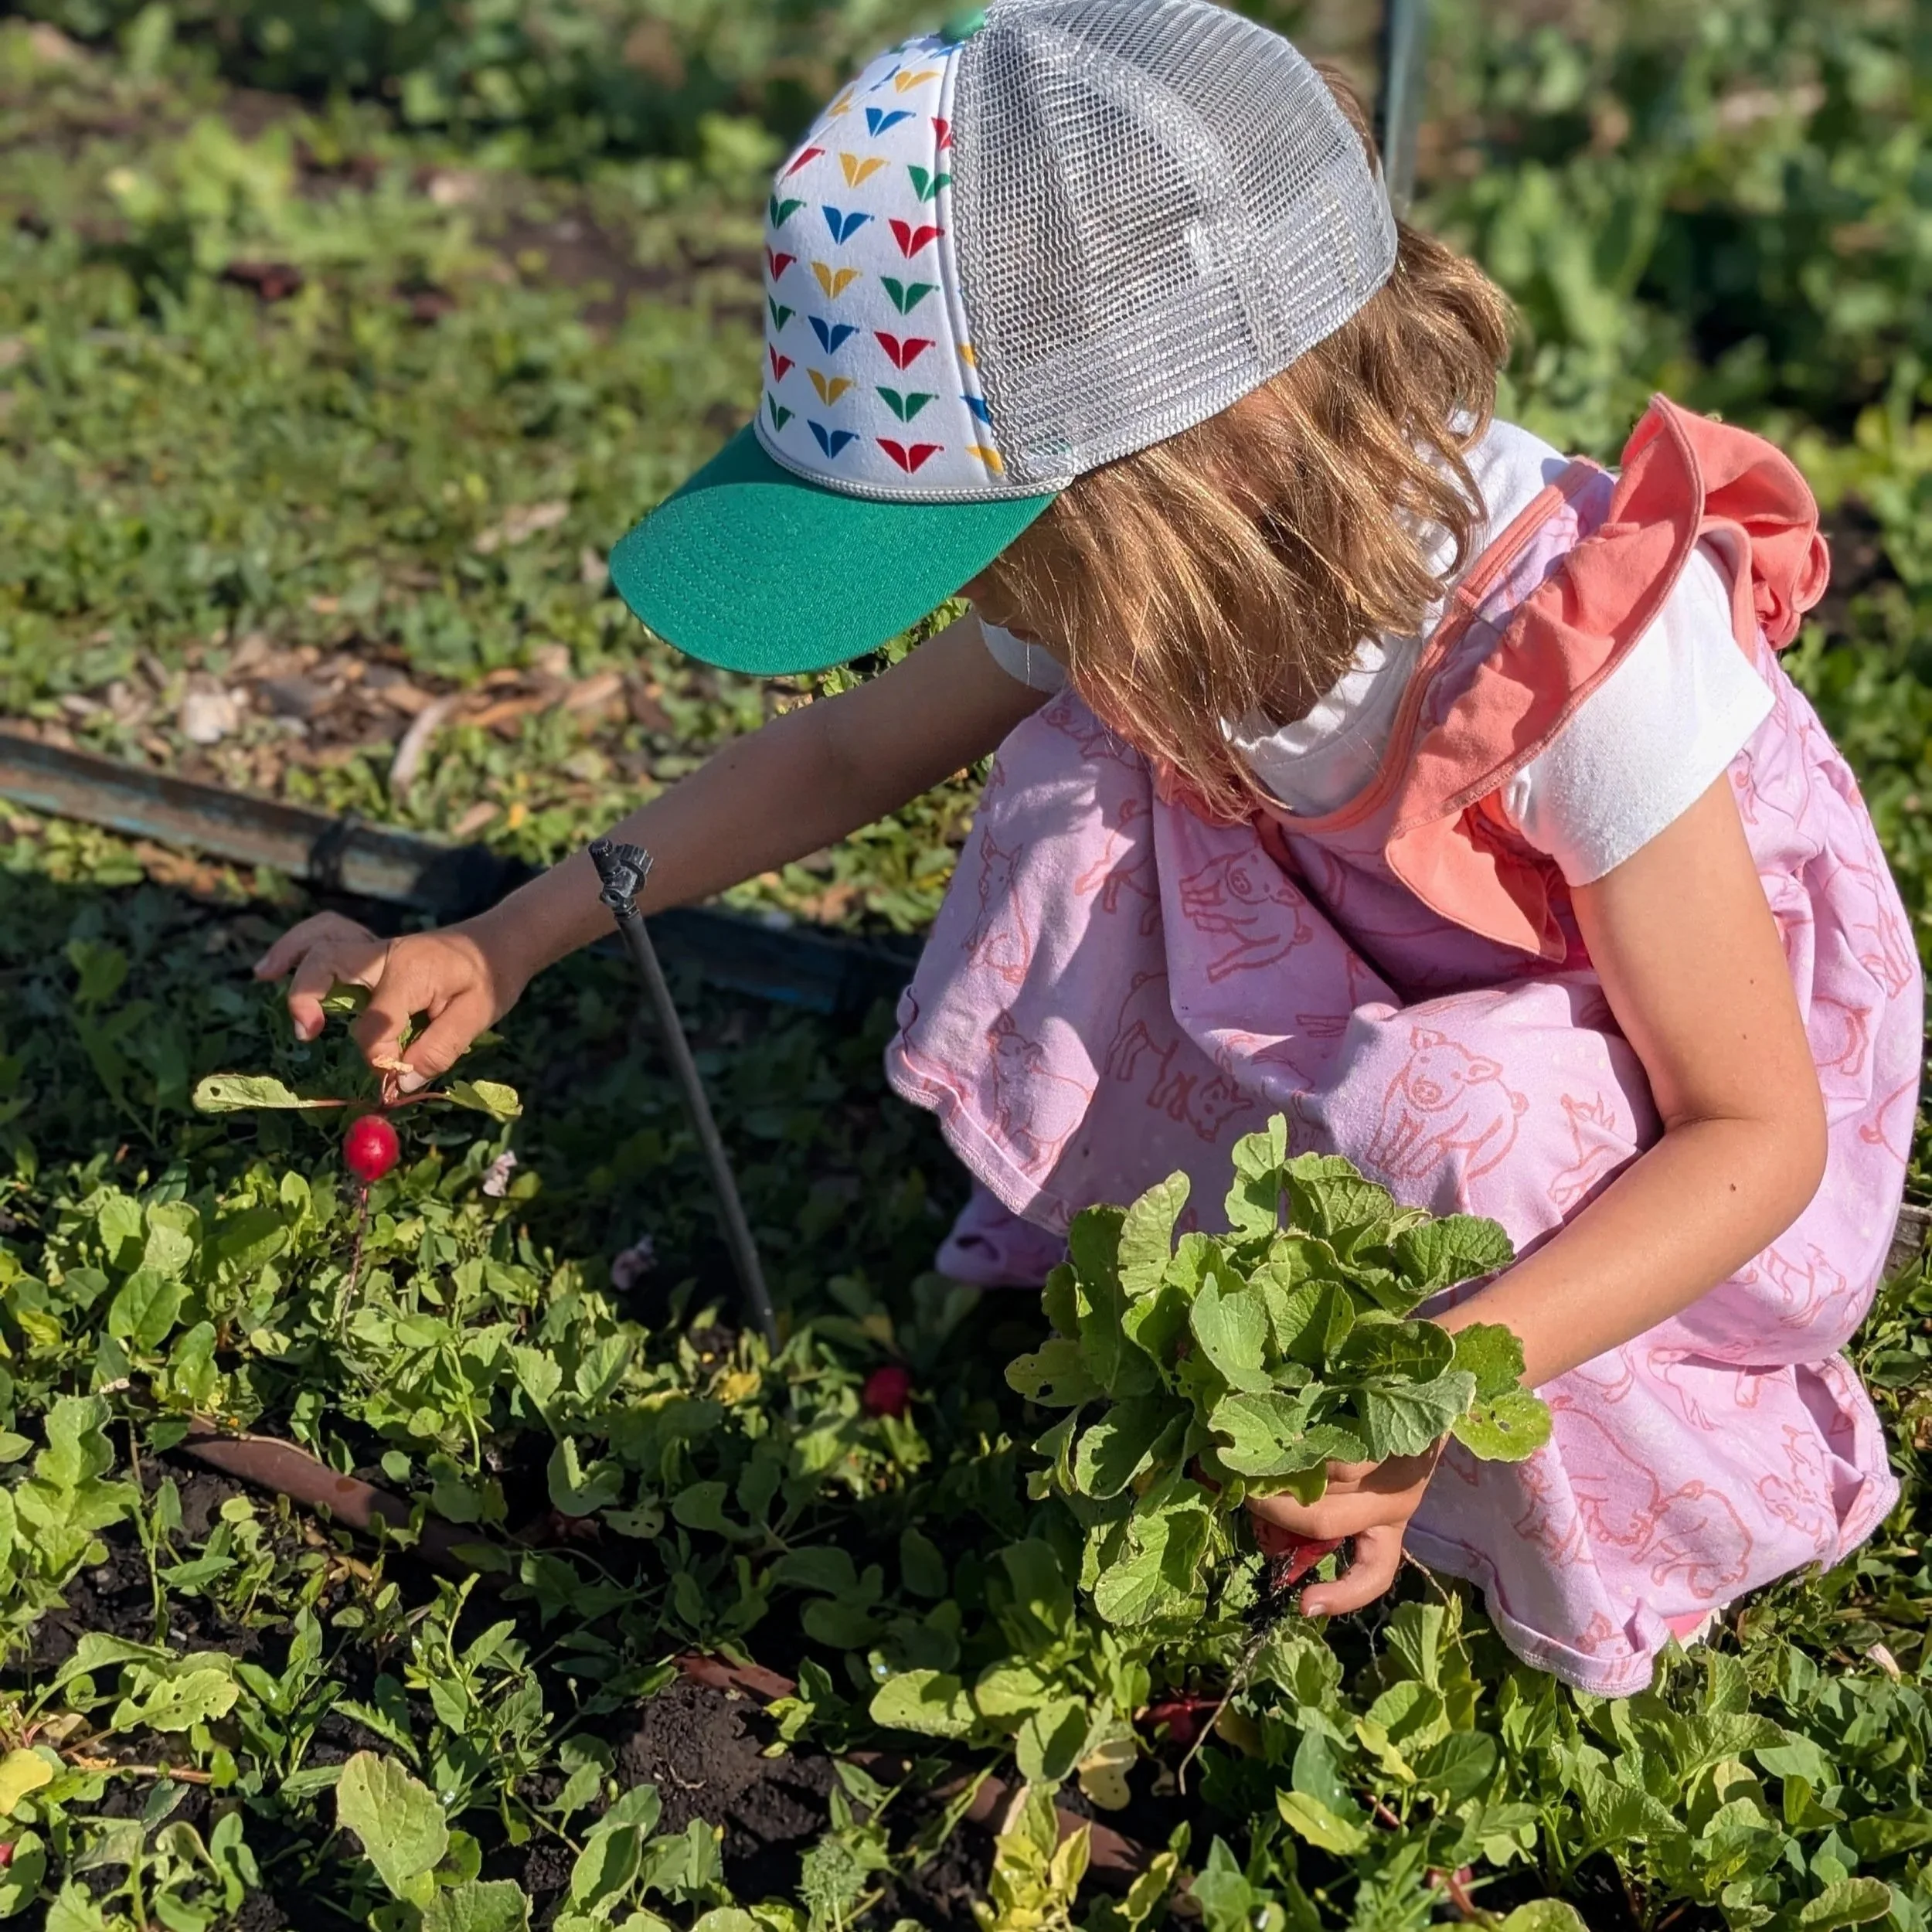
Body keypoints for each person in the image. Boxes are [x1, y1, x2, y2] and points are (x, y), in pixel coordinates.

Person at [255, 0, 1920, 1696]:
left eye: (982, 543)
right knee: (1077, 773)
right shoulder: (1162, 588)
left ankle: (1531, 1478)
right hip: (1381, 958)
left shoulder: (1576, 659)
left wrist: (1420, 1376)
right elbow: (841, 747)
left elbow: (1752, 1131)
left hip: (1648, 1079)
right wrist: (511, 933)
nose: (972, 599)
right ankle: (1195, 1271)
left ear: (1171, 483)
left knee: (1443, 1125)